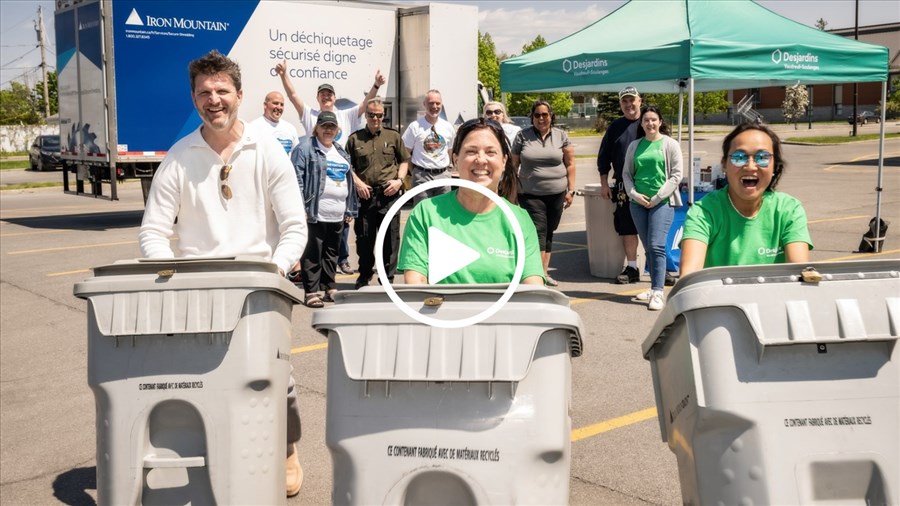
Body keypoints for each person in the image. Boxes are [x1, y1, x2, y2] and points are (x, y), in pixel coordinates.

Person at [138, 50, 308, 498]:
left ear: (239, 95)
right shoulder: (179, 157)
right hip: (195, 291)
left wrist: (275, 272)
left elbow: (294, 226)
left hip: (260, 288)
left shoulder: (266, 150)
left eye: (221, 91)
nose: (213, 100)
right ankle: (214, 453)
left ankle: (286, 448)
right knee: (204, 380)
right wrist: (169, 277)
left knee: (276, 381)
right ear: (194, 98)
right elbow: (154, 231)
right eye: (204, 92)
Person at [398, 118, 544, 285]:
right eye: (471, 151)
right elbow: (416, 282)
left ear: (504, 161)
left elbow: (532, 287)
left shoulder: (520, 220)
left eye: (490, 152)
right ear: (455, 159)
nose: (481, 160)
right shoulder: (426, 213)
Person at [275, 60, 384, 274]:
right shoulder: (310, 115)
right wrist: (283, 75)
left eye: (329, 94)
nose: (326, 97)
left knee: (342, 222)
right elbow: (293, 96)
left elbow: (365, 104)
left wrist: (376, 85)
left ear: (334, 98)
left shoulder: (346, 115)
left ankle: (342, 259)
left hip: (341, 175)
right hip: (317, 177)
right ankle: (314, 267)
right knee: (316, 226)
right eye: (322, 94)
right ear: (318, 98)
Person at [679, 123, 812, 276]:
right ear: (724, 164)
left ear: (775, 165)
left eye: (762, 157)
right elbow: (690, 274)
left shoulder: (789, 209)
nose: (750, 166)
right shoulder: (704, 211)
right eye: (739, 157)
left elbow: (799, 270)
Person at [291, 111, 358, 308]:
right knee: (312, 253)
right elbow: (296, 179)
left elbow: (348, 180)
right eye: (324, 126)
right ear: (317, 128)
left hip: (337, 213)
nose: (328, 130)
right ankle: (311, 292)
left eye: (332, 127)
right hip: (314, 212)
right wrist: (301, 207)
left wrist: (348, 209)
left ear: (337, 130)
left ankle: (329, 288)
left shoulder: (340, 151)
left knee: (331, 252)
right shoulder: (305, 149)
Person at [622, 106, 683, 311]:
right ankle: (653, 287)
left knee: (657, 245)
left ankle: (658, 291)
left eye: (654, 120)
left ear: (660, 121)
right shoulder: (635, 146)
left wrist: (657, 197)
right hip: (638, 203)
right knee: (648, 246)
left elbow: (676, 175)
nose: (650, 123)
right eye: (646, 120)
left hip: (662, 203)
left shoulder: (670, 144)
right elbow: (626, 174)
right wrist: (634, 194)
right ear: (641, 123)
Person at [346, 97, 410, 290]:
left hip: (388, 194)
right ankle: (364, 275)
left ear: (384, 116)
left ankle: (387, 278)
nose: (376, 118)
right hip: (365, 196)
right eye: (372, 115)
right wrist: (357, 183)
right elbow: (347, 166)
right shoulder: (355, 139)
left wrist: (399, 181)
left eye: (379, 115)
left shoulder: (393, 136)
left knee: (390, 239)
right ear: (366, 115)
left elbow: (404, 161)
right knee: (364, 239)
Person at [510, 99, 576, 287]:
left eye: (544, 115)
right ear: (532, 117)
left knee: (549, 232)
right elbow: (513, 165)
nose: (541, 118)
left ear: (551, 116)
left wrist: (571, 190)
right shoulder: (522, 136)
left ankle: (543, 273)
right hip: (530, 193)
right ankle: (536, 276)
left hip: (557, 193)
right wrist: (512, 191)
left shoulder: (561, 136)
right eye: (537, 115)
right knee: (538, 231)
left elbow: (570, 164)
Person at [597, 85, 644, 284]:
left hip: (650, 184)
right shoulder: (615, 127)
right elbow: (604, 157)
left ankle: (659, 268)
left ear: (639, 101)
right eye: (624, 101)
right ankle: (632, 268)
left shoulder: (649, 122)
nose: (628, 104)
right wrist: (604, 183)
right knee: (627, 228)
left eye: (632, 100)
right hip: (624, 186)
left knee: (653, 229)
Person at [402, 89, 456, 205]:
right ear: (424, 104)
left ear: (441, 104)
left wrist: (448, 171)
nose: (434, 106)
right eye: (431, 103)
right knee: (422, 211)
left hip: (443, 176)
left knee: (443, 211)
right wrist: (414, 171)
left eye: (437, 103)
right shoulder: (415, 127)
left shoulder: (448, 127)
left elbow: (449, 151)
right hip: (421, 176)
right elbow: (405, 153)